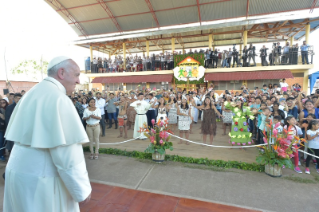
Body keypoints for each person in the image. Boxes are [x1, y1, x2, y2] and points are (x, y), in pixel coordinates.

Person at [3, 56, 91, 211]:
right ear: (62, 73)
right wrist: (81, 189)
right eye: (77, 75)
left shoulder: (31, 93)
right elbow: (68, 156)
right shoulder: (59, 99)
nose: (78, 81)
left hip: (16, 174)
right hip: (42, 181)